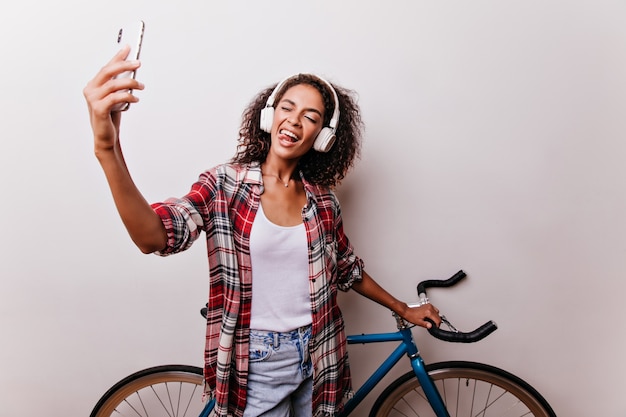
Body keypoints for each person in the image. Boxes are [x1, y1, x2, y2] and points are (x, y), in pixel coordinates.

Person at [83, 45, 442, 417]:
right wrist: (107, 148)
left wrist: (403, 308)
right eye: (287, 108)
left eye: (311, 116)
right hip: (256, 359)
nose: (295, 121)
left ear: (324, 135)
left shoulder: (323, 201)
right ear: (270, 115)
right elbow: (154, 237)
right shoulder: (224, 185)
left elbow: (347, 268)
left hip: (321, 353)